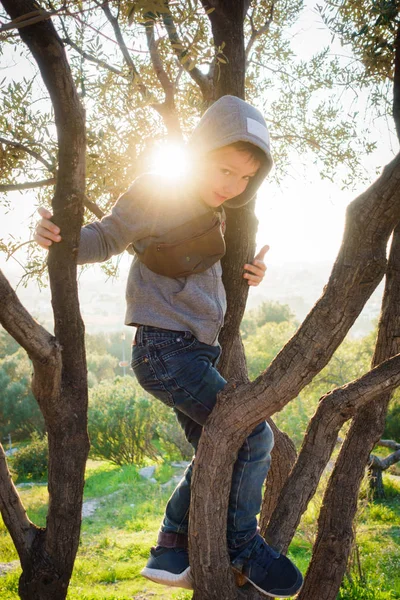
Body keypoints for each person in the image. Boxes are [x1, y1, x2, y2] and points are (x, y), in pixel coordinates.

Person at [35, 95, 303, 598]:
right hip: (166, 350)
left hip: (193, 352)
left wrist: (251, 273)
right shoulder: (159, 191)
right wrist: (59, 235)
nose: (232, 185)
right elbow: (106, 238)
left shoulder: (214, 210)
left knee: (215, 448)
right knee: (255, 438)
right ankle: (243, 545)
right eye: (224, 169)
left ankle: (169, 548)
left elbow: (200, 276)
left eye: (244, 178)